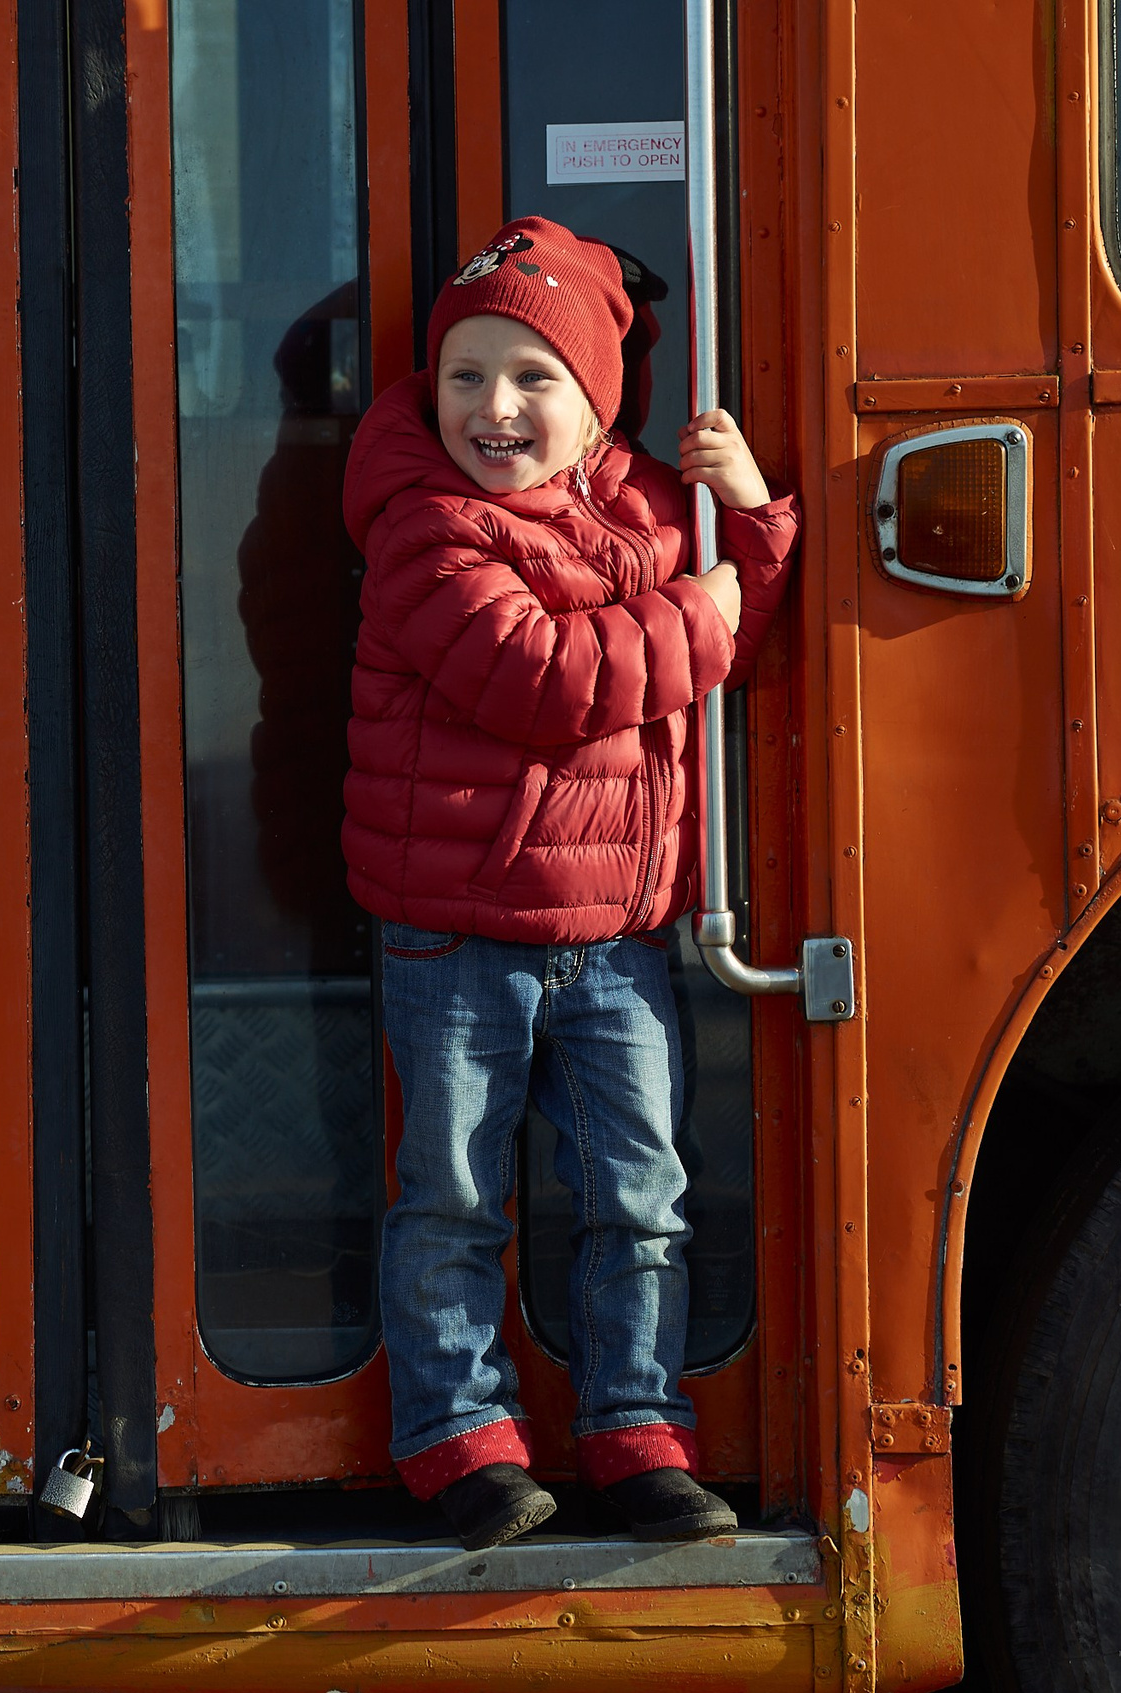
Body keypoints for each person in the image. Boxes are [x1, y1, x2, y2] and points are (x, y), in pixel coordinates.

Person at [340, 218, 799, 1550]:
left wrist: (754, 520)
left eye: (536, 378)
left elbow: (738, 632)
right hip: (458, 928)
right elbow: (548, 681)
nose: (495, 408)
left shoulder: (654, 506)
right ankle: (457, 1437)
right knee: (455, 1197)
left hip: (617, 933)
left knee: (640, 1192)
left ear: (599, 400)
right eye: (467, 374)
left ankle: (634, 1425)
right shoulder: (423, 523)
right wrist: (702, 609)